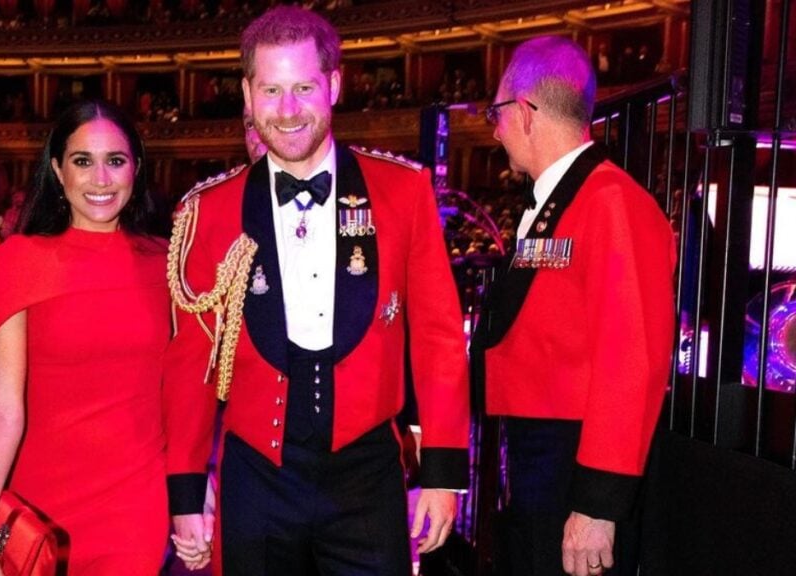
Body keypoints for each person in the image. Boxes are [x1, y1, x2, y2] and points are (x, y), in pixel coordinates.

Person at [164, 6, 470, 575]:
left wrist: (443, 476)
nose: (286, 111)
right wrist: (186, 494)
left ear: (333, 85)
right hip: (256, 480)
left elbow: (438, 339)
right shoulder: (208, 211)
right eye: (272, 90)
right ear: (249, 96)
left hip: (368, 477)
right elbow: (191, 366)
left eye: (303, 87)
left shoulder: (403, 191)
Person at [471, 36, 675, 576]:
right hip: (540, 456)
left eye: (497, 112)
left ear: (525, 113)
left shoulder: (611, 202)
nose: (494, 129)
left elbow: (633, 361)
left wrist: (597, 503)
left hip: (574, 462)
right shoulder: (561, 202)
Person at [0, 100, 170, 575]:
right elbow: (1, 404)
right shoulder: (16, 261)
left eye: (115, 161)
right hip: (42, 506)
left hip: (135, 507)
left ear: (136, 168)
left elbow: (180, 393)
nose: (100, 179)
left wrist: (191, 489)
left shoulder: (166, 262)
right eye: (83, 161)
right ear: (57, 170)